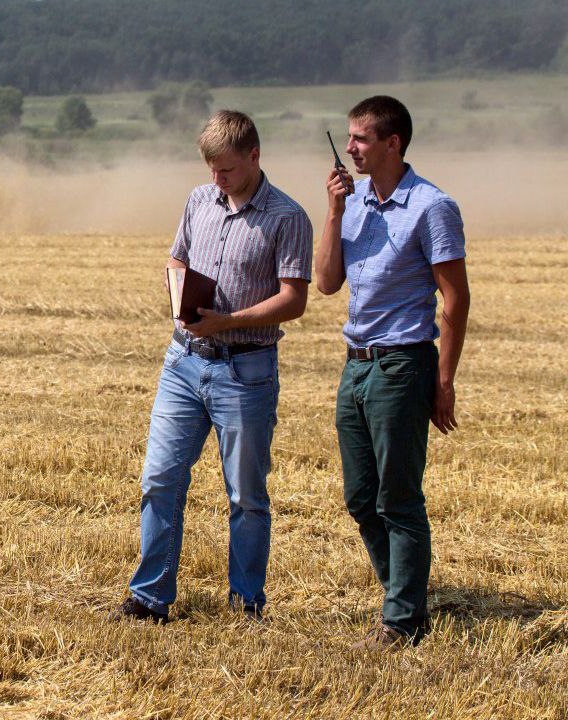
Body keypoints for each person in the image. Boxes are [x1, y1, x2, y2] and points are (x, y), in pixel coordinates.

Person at [110, 110, 312, 624]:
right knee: (159, 479)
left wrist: (225, 322)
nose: (215, 179)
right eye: (210, 169)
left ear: (254, 156)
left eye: (225, 169)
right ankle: (149, 598)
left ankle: (246, 604)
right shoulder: (199, 200)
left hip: (246, 371)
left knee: (246, 495)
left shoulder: (288, 218)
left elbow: (293, 301)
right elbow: (176, 257)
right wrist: (177, 289)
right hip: (182, 362)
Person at [315, 96, 470, 650]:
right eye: (350, 138)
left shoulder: (432, 207)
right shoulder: (352, 204)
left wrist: (443, 381)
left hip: (404, 364)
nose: (350, 148)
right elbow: (327, 283)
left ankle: (402, 621)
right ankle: (404, 594)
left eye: (360, 139)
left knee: (398, 497)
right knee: (361, 496)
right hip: (355, 365)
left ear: (392, 143)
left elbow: (455, 298)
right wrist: (333, 213)